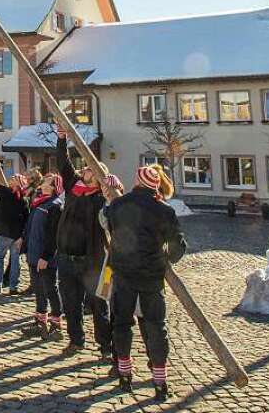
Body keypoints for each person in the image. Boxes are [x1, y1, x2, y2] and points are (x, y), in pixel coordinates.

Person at [102, 164, 186, 399]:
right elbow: (178, 245)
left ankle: (125, 374)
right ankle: (160, 382)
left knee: (121, 323)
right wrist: (165, 259)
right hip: (151, 275)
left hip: (123, 273)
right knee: (156, 326)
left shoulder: (118, 204)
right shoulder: (164, 210)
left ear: (137, 181)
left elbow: (109, 227)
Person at [54, 127, 111, 357]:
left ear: (98, 177)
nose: (86, 168)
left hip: (93, 261)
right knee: (71, 303)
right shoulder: (73, 187)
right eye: (86, 166)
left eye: (91, 168)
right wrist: (61, 139)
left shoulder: (100, 200)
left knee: (99, 305)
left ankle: (106, 345)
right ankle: (76, 339)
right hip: (67, 258)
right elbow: (63, 162)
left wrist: (110, 194)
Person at [20, 172, 64, 341]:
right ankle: (40, 324)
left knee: (50, 289)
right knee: (39, 290)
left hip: (45, 258)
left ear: (53, 187)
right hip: (34, 254)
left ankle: (56, 325)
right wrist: (24, 243)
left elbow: (53, 235)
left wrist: (45, 257)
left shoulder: (54, 206)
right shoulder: (41, 202)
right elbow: (31, 227)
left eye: (48, 181)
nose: (44, 181)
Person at [0, 176, 28, 294]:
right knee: (15, 260)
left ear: (17, 184)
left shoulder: (6, 192)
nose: (11, 178)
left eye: (14, 178)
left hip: (4, 233)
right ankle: (13, 287)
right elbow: (26, 220)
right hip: (16, 236)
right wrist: (22, 236)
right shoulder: (24, 199)